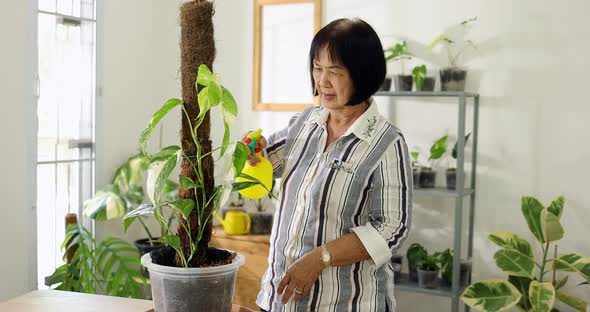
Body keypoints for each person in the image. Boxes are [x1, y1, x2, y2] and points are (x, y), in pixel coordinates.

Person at [249, 18, 413, 312]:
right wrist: (252, 152)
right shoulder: (303, 123)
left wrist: (319, 258)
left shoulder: (386, 142)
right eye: (317, 68)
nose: (322, 81)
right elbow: (265, 160)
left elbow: (391, 229)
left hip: (344, 304)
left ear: (361, 75)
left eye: (334, 71)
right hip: (278, 299)